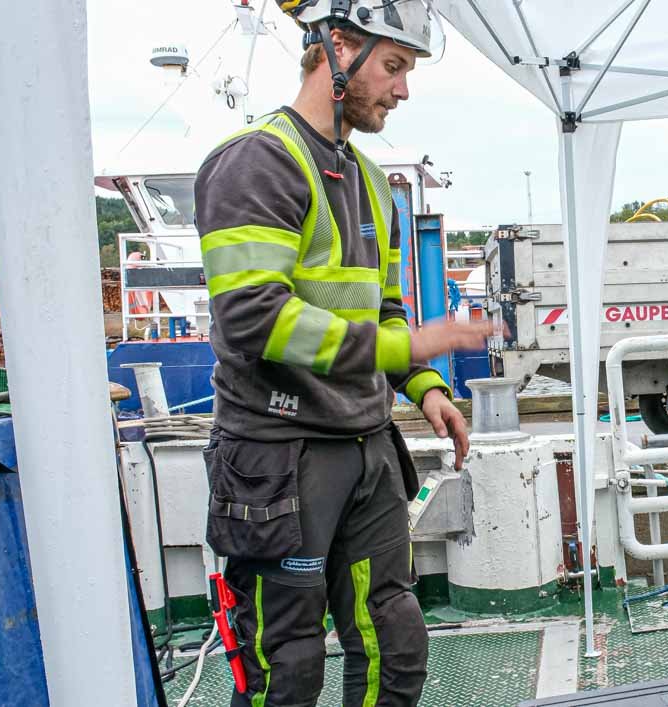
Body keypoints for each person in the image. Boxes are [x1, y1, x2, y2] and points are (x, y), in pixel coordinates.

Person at [193, 1, 492, 704]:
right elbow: (253, 317)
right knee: (287, 665)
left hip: (365, 448)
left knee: (396, 641)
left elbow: (383, 310)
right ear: (335, 48)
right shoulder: (255, 165)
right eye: (393, 66)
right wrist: (410, 343)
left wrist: (425, 385)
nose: (403, 89)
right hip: (278, 455)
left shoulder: (372, 184)